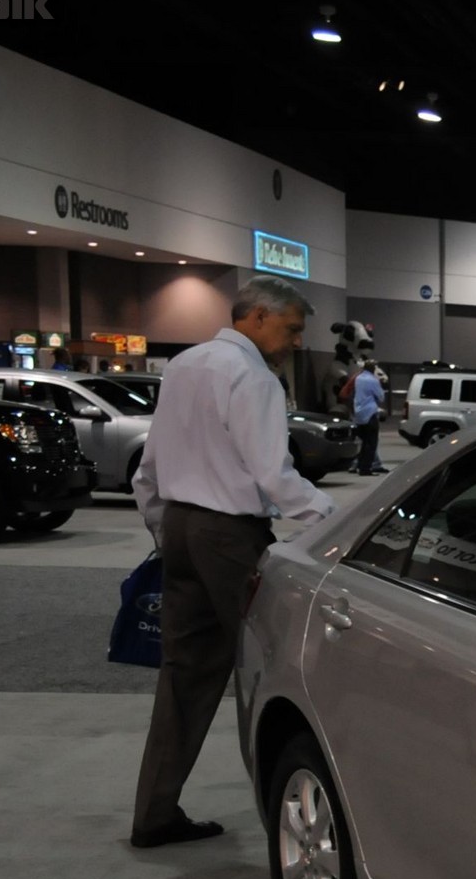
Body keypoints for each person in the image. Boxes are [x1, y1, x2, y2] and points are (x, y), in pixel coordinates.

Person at [128, 276, 337, 848]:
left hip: (181, 528)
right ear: (259, 317)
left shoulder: (186, 365)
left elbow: (148, 465)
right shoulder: (254, 378)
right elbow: (274, 475)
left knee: (184, 675)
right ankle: (286, 813)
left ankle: (154, 812)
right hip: (229, 538)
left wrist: (164, 528)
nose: (296, 340)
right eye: (293, 328)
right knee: (266, 671)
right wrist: (336, 525)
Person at [349, 358, 386, 475]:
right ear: (373, 368)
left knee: (364, 442)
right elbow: (381, 397)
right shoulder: (372, 380)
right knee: (371, 443)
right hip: (370, 413)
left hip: (359, 413)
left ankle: (360, 466)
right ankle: (366, 469)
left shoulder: (358, 379)